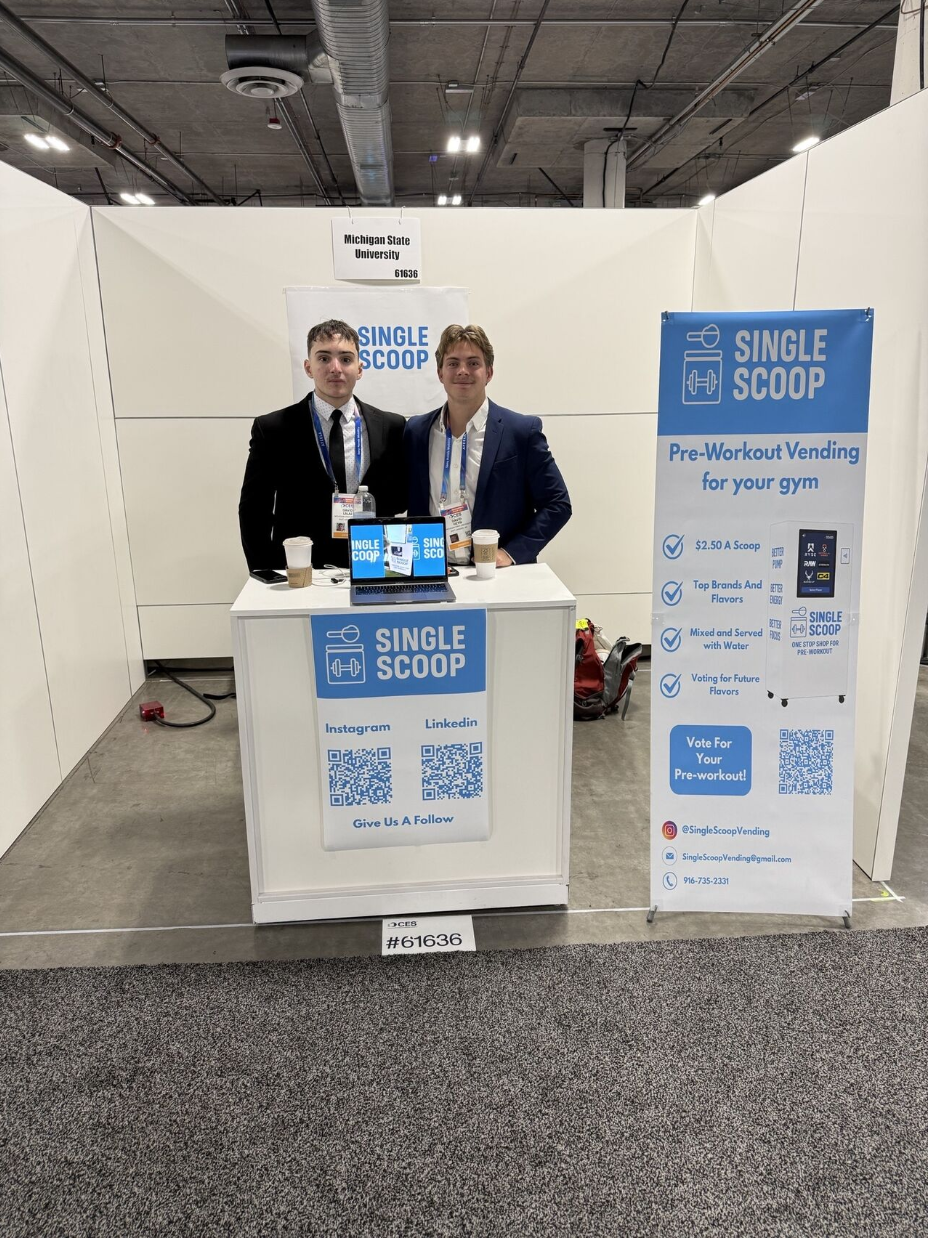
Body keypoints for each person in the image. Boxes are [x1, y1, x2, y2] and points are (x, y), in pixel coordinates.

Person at [239, 319, 406, 570]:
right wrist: (266, 572)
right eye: (324, 358)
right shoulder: (273, 429)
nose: (335, 368)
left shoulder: (391, 427)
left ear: (360, 368)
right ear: (309, 367)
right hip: (302, 572)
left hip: (374, 566)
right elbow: (254, 510)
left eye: (346, 359)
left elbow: (398, 500)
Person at [403, 324, 571, 566]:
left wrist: (512, 553)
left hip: (495, 573)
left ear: (489, 373)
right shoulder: (417, 432)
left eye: (473, 363)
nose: (463, 371)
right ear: (440, 373)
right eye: (453, 363)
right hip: (433, 568)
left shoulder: (521, 432)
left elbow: (558, 504)